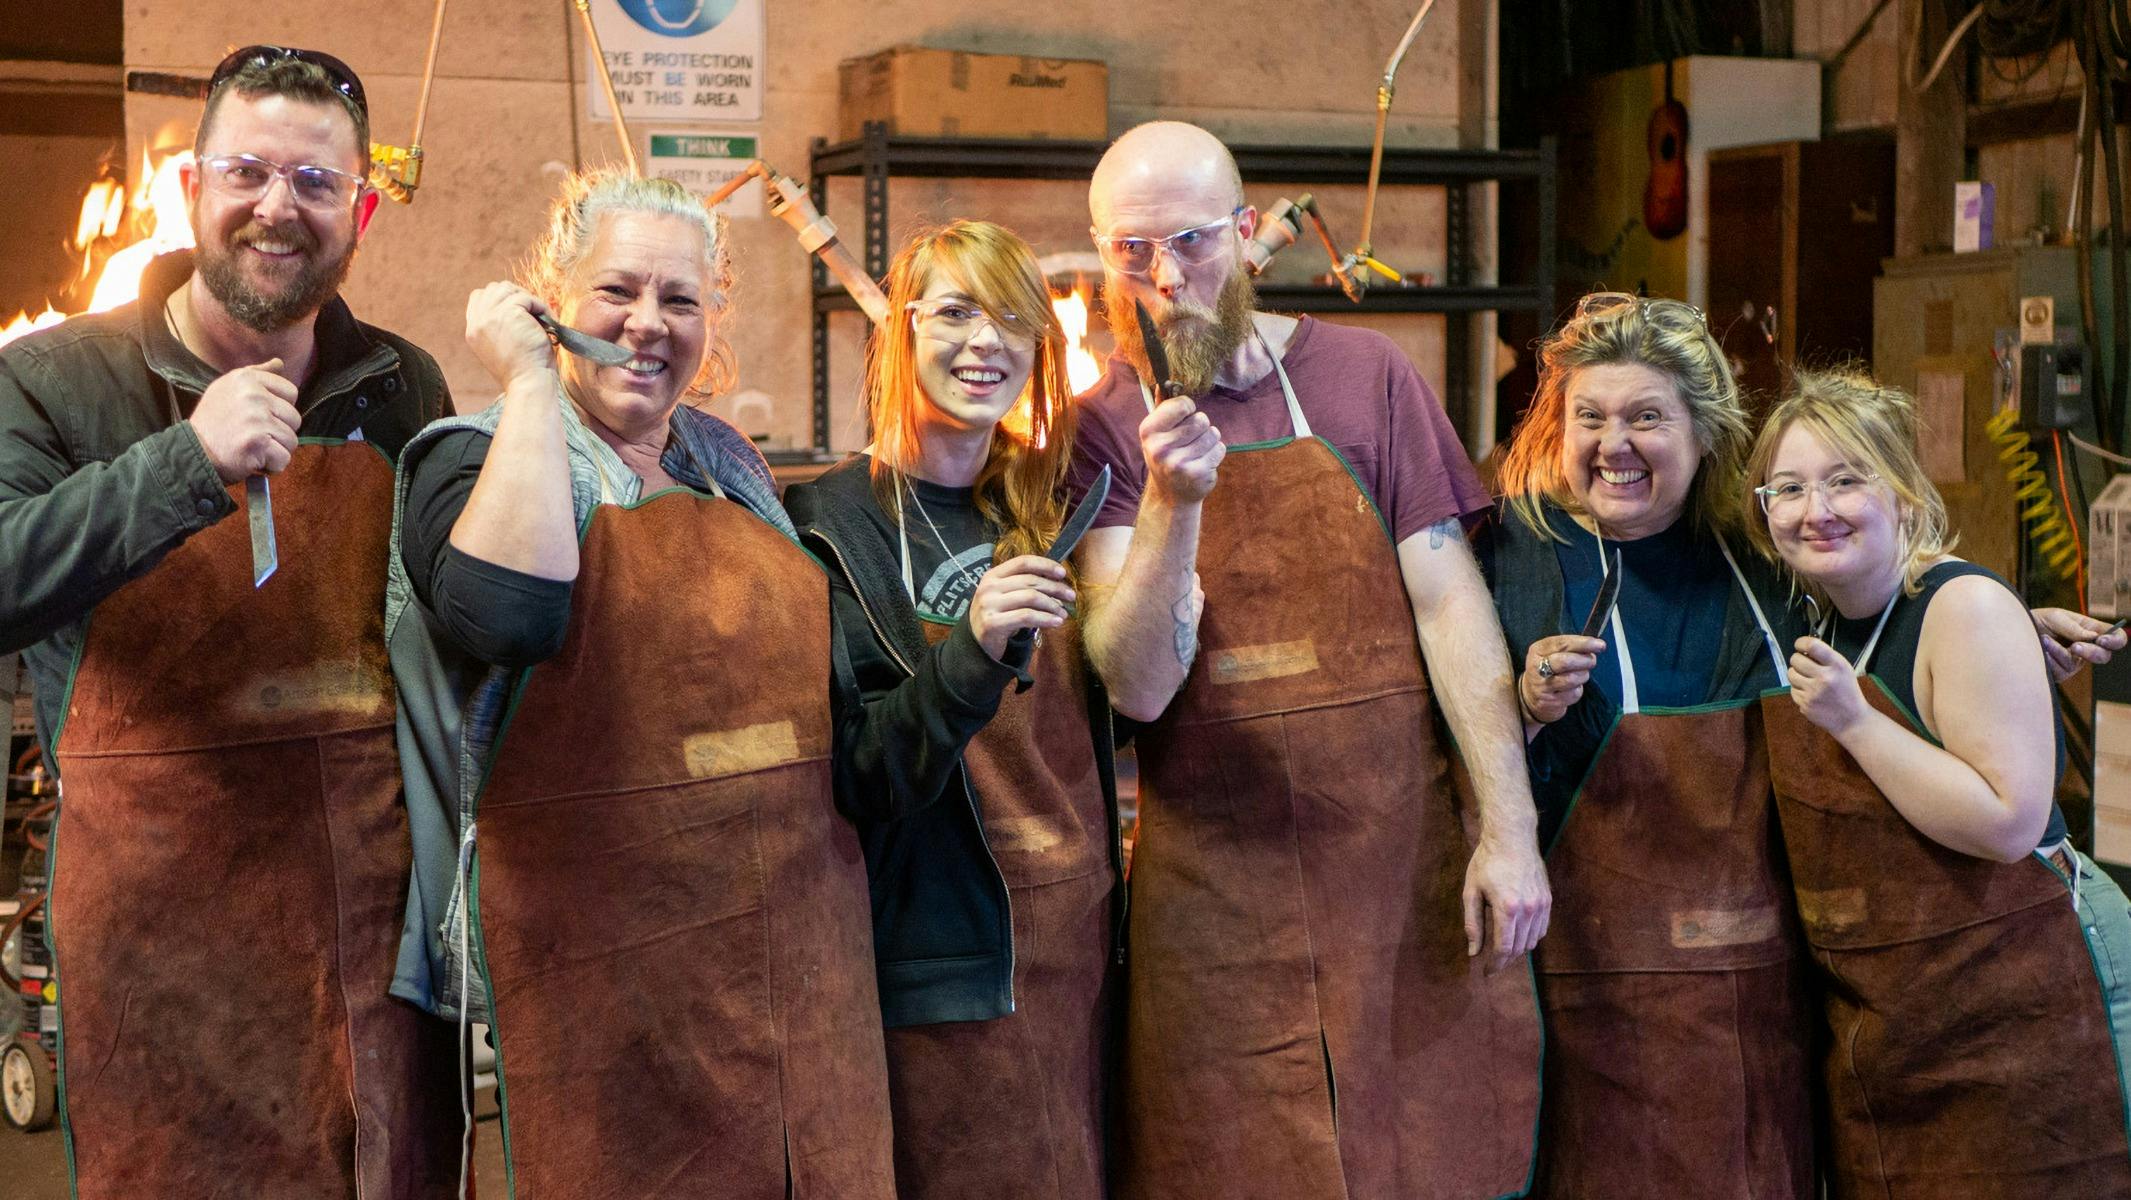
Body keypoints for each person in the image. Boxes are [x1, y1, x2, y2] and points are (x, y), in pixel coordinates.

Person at [0, 46, 459, 1198]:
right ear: (191, 186)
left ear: (360, 212)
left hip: (371, 942)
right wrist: (184, 463)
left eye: (315, 182)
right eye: (247, 171)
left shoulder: (402, 386)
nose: (277, 206)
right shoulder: (54, 381)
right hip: (163, 955)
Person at [385, 168, 894, 1198]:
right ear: (551, 300)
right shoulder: (470, 459)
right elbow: (509, 615)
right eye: (615, 291)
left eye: (680, 299)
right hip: (590, 967)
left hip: (780, 949)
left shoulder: (725, 461)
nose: (648, 323)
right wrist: (530, 381)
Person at [1068, 120, 1546, 1199]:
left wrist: (1508, 831)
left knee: (1420, 1159)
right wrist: (1171, 504)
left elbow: (1450, 608)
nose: (1165, 280)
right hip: (1215, 907)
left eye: (1191, 242)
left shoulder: (1367, 377)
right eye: (1131, 252)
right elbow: (1135, 686)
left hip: (1399, 879)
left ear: (1246, 233)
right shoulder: (1101, 427)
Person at [784, 220, 1130, 1199]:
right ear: (898, 327)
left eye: (1013, 320)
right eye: (954, 312)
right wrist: (970, 648)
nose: (985, 342)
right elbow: (862, 773)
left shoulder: (1056, 500)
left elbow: (1125, 710)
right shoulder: (824, 524)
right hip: (935, 970)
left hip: (1081, 952)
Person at [1747, 369, 2131, 1197]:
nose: (1815, 509)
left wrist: (1855, 721)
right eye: (1789, 489)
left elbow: (2007, 823)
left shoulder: (1964, 608)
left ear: (1901, 493)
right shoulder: (1817, 617)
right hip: (1907, 1018)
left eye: (1844, 480)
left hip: (2032, 994)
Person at [1488, 292, 1819, 1197]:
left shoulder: (1766, 558)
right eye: (1589, 417)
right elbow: (1444, 764)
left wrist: (1995, 629)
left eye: (1645, 418)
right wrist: (1524, 707)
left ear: (1703, 432)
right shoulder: (1512, 552)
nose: (1613, 444)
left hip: (1760, 1006)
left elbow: (1882, 636)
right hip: (1582, 1002)